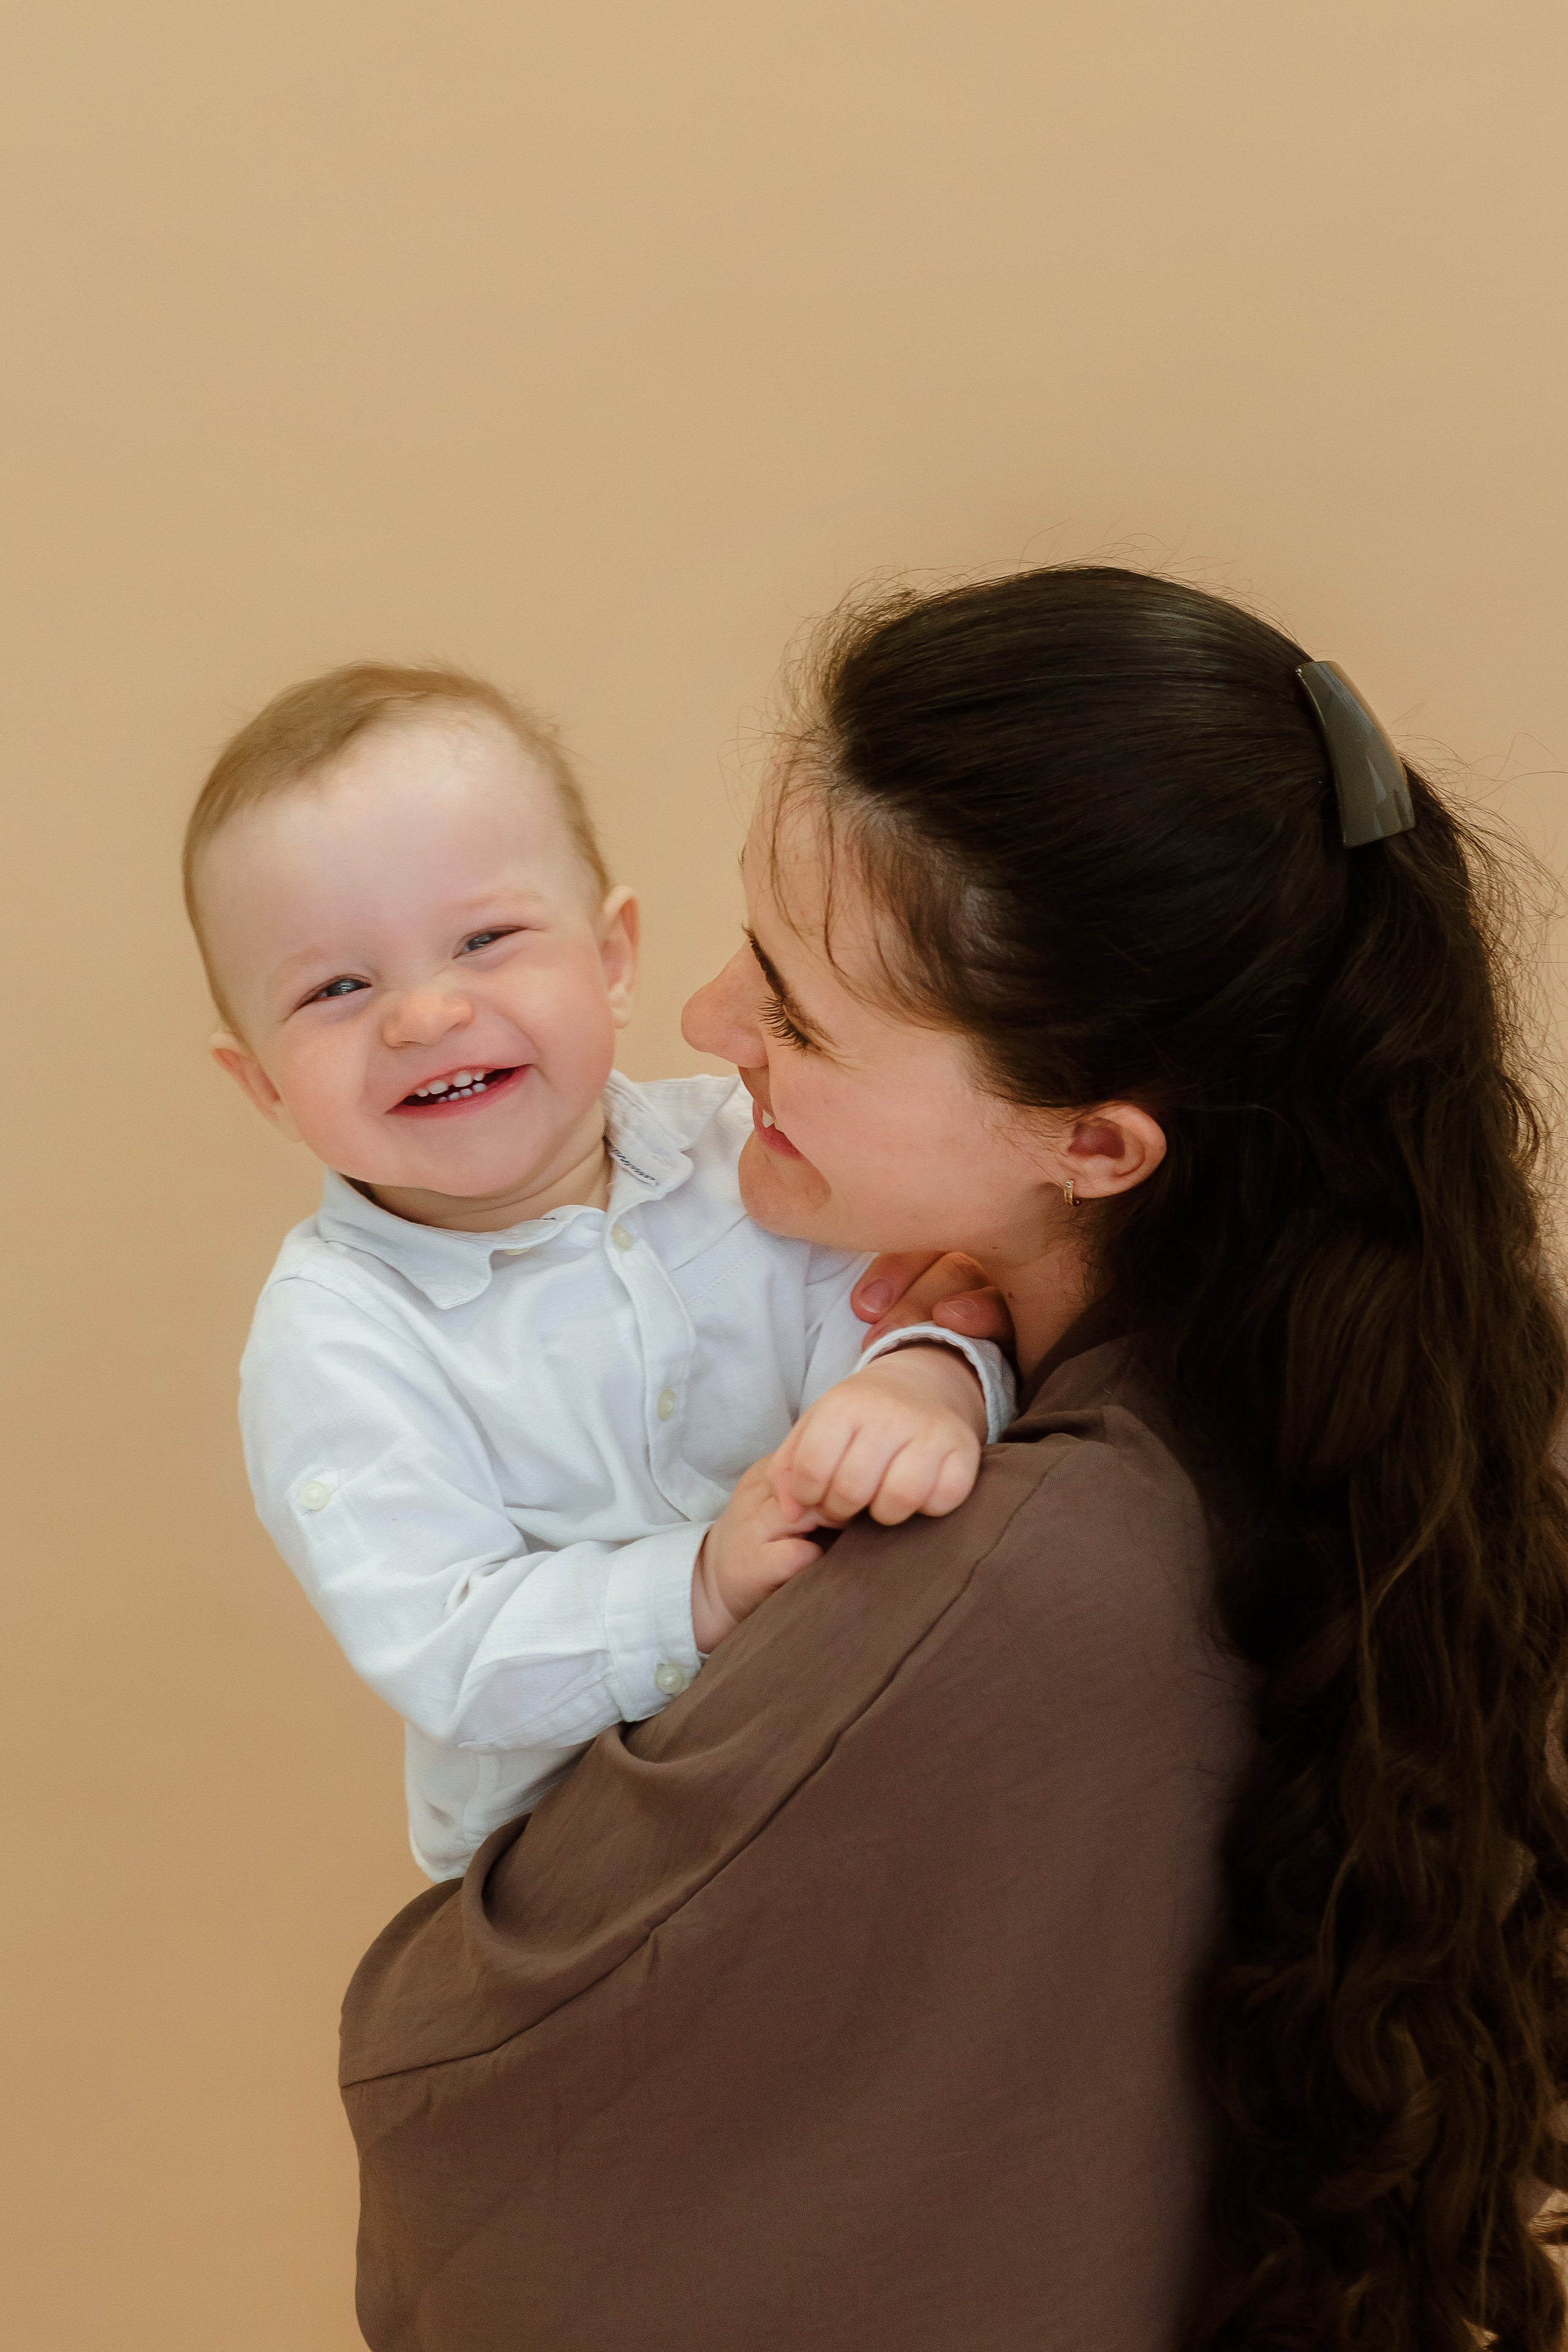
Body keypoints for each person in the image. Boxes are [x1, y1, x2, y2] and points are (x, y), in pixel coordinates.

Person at [339, 567, 1568, 2350]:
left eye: (793, 1011)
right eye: (747, 942)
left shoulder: (988, 1577)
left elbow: (465, 2070)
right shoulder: (1410, 1420)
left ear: (1094, 1145)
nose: (703, 1024)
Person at [183, 663, 1012, 1879]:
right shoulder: (337, 1337)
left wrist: (924, 1381)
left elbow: (934, 1306)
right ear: (262, 1084)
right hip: (585, 1865)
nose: (424, 1016)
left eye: (484, 939)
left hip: (847, 1746)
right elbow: (447, 1649)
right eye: (337, 988)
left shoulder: (754, 1156)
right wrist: (698, 1588)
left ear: (612, 958)